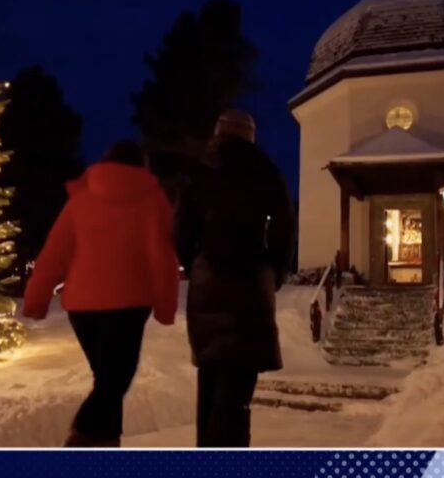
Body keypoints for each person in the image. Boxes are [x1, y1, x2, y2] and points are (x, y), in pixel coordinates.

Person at [22, 140, 180, 447]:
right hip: (129, 306)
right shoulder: (152, 198)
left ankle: (106, 449)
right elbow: (162, 257)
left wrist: (36, 298)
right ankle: (79, 443)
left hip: (83, 308)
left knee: (107, 378)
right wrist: (164, 306)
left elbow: (55, 252)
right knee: (113, 382)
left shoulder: (82, 200)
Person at [175, 109, 295, 447]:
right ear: (250, 137)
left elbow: (180, 231)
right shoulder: (267, 172)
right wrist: (274, 272)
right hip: (250, 284)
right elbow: (285, 230)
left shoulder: (197, 173)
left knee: (210, 378)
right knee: (238, 388)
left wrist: (198, 262)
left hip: (207, 283)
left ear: (218, 133)